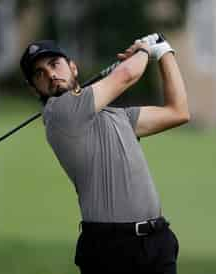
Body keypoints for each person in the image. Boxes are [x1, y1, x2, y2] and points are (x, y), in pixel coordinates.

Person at [20, 34, 189, 274]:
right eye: (39, 73)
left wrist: (164, 53)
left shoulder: (117, 116)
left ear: (73, 67)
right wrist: (145, 49)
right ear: (33, 88)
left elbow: (178, 112)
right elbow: (127, 75)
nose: (50, 75)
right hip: (109, 248)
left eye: (54, 64)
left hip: (156, 242)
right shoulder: (60, 113)